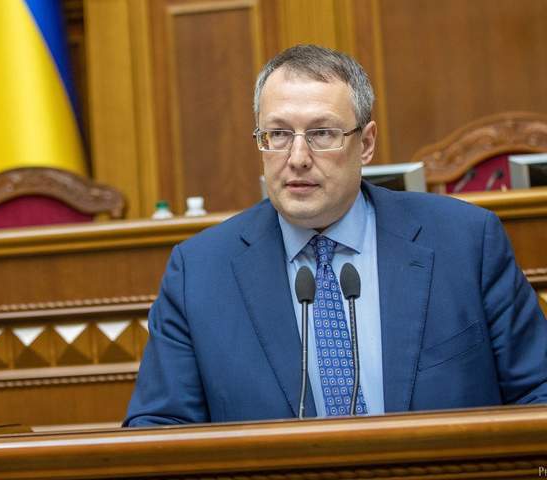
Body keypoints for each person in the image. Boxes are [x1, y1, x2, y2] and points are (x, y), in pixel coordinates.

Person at [124, 45, 547, 426]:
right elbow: (157, 430)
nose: (297, 158)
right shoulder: (199, 274)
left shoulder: (466, 243)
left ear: (366, 143)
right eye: (278, 134)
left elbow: (538, 393)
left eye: (322, 133)